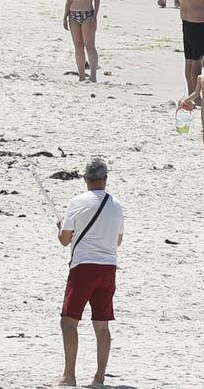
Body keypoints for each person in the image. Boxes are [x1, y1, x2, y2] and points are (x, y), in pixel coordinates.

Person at [57, 158, 124, 389]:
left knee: (69, 322)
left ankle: (69, 376)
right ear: (105, 179)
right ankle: (99, 378)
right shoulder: (116, 204)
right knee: (102, 325)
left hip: (84, 267)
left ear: (85, 179)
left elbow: (65, 240)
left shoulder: (77, 202)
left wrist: (61, 228)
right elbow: (118, 240)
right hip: (108, 268)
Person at [63, 0, 100, 83]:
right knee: (78, 46)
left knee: (89, 45)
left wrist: (95, 16)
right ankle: (81, 76)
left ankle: (94, 76)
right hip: (73, 15)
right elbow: (68, 0)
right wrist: (65, 17)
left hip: (87, 14)